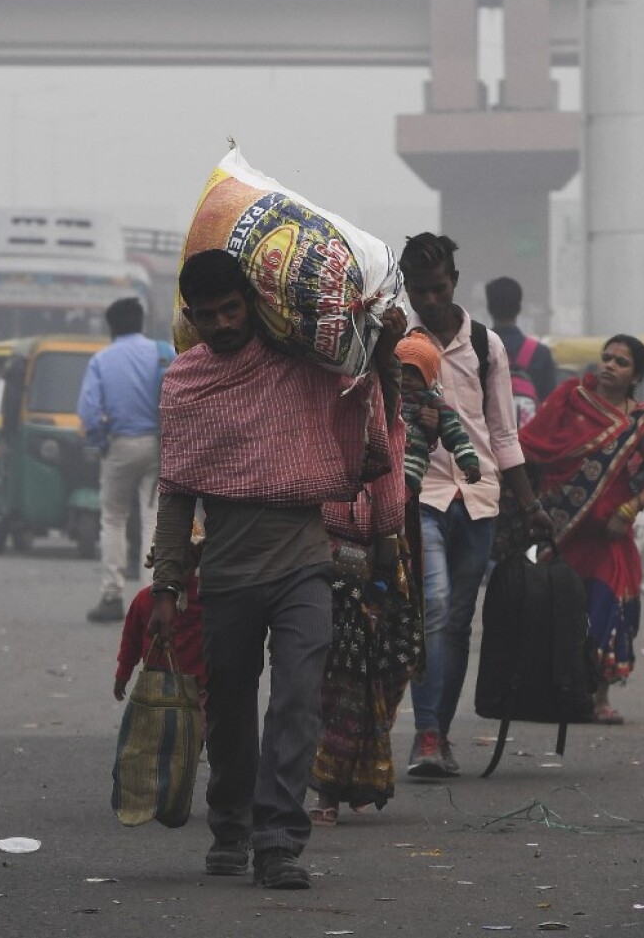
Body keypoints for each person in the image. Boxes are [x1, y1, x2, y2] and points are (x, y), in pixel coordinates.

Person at [148, 248, 396, 891]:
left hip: (304, 567)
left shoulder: (302, 367)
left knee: (297, 700)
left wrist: (385, 348)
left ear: (253, 306)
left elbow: (364, 392)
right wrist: (167, 585)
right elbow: (176, 491)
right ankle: (230, 824)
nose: (223, 324)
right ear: (191, 318)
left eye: (232, 309)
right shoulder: (186, 384)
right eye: (209, 316)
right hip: (227, 574)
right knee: (228, 709)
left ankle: (279, 839)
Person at [398, 232, 549, 778]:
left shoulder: (487, 346)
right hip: (420, 495)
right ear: (407, 290)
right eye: (419, 292)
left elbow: (504, 435)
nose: (431, 301)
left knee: (458, 621)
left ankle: (437, 732)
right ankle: (426, 735)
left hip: (480, 497)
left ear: (454, 284)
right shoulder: (397, 346)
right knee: (432, 607)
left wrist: (530, 505)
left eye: (438, 289)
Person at [308, 306, 425, 825]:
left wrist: (384, 555)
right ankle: (329, 789)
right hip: (328, 556)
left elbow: (391, 471)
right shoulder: (316, 397)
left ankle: (359, 775)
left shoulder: (386, 406)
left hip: (383, 551)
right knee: (339, 681)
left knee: (388, 669)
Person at [519, 335, 644, 725]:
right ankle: (561, 695)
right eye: (606, 357)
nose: (609, 365)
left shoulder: (640, 422)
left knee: (605, 613)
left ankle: (599, 698)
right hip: (564, 531)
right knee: (563, 615)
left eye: (620, 362)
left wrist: (629, 508)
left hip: (608, 536)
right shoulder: (571, 399)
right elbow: (536, 446)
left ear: (635, 374)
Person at [78, 297, 174, 623]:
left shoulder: (102, 361)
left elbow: (89, 411)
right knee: (153, 520)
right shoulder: (163, 353)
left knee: (114, 518)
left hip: (120, 445)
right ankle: (152, 599)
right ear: (141, 322)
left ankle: (111, 595)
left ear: (111, 327)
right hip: (159, 445)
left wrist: (100, 442)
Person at [114, 525, 208, 734]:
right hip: (157, 688)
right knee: (156, 741)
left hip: (200, 689)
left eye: (185, 564)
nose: (178, 572)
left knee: (192, 739)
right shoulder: (145, 600)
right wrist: (123, 672)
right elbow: (132, 640)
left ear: (197, 562)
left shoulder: (207, 599)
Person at [397, 331, 480, 496]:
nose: (406, 378)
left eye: (415, 373)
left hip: (410, 471)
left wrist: (469, 462)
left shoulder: (432, 402)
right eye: (402, 370)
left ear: (427, 378)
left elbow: (456, 433)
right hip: (380, 469)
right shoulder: (382, 394)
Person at [485, 276, 557, 426]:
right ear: (519, 308)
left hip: (487, 441)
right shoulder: (540, 353)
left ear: (489, 308)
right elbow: (550, 407)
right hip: (528, 442)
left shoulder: (476, 348)